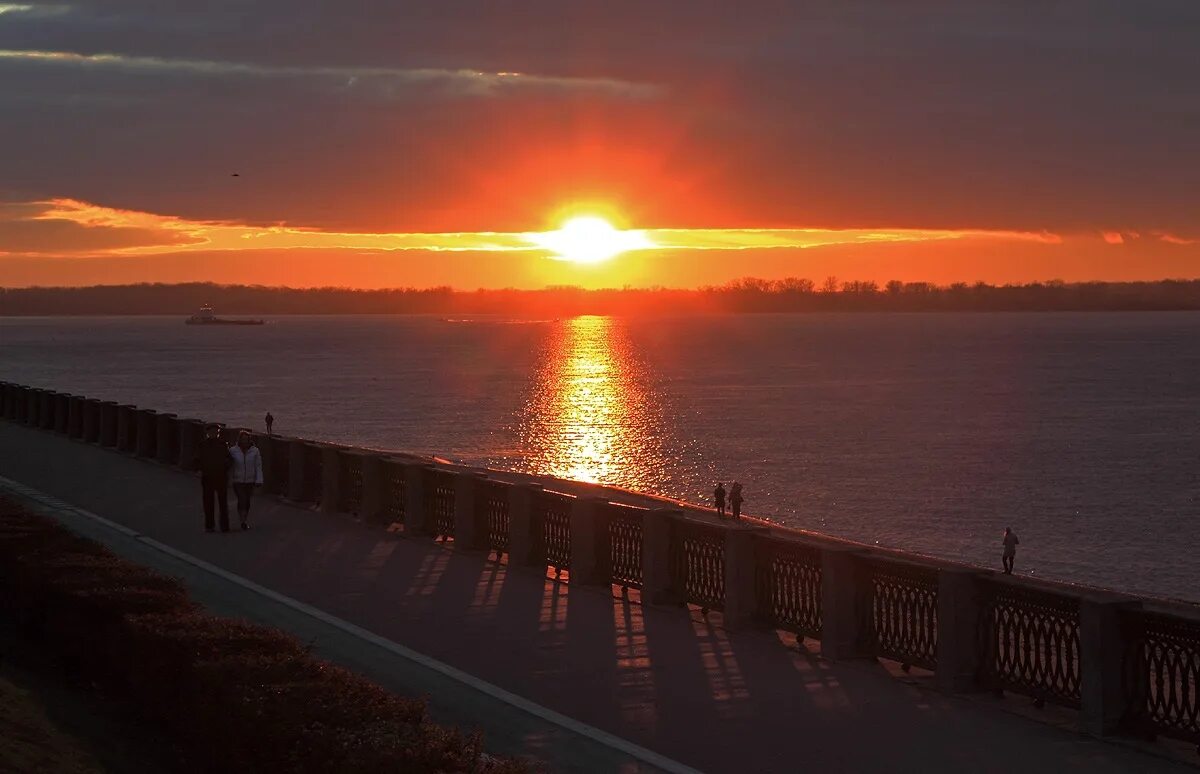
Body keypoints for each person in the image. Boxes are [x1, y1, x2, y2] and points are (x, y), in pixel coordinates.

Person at [195, 424, 232, 532]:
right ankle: (210, 526)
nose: (214, 433)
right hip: (207, 476)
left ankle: (224, 526)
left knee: (223, 503)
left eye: (216, 432)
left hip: (221, 476)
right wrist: (199, 469)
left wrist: (226, 468)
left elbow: (229, 459)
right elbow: (197, 459)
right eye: (212, 432)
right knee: (208, 503)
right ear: (208, 433)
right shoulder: (202, 445)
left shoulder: (223, 445)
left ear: (218, 433)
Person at [229, 430, 263, 531]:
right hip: (238, 480)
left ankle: (244, 519)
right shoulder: (233, 450)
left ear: (249, 440)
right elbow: (229, 465)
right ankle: (242, 521)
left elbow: (258, 466)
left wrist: (259, 480)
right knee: (242, 499)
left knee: (247, 501)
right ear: (239, 439)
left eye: (246, 439)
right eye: (243, 439)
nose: (244, 441)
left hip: (250, 480)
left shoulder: (255, 451)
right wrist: (230, 479)